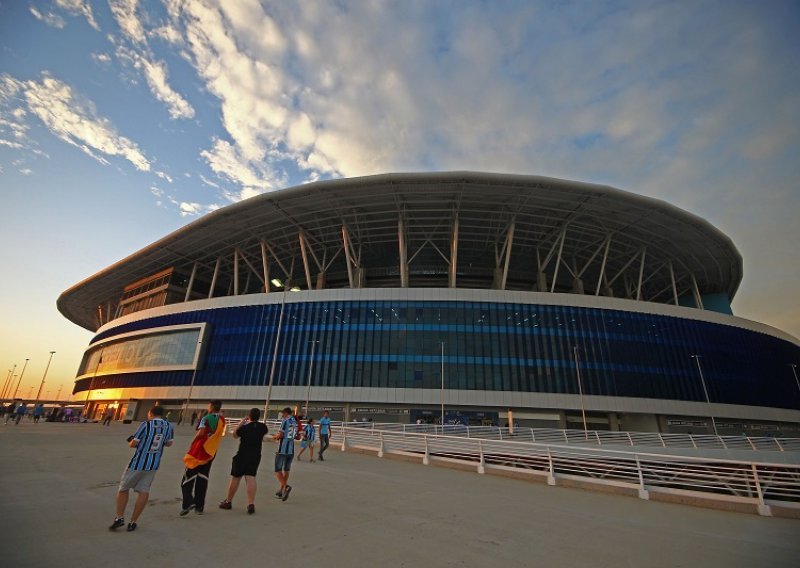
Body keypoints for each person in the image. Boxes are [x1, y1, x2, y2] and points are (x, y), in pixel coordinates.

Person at [109, 405, 174, 532]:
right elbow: (169, 443)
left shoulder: (146, 425)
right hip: (154, 464)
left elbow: (134, 443)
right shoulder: (169, 426)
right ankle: (133, 522)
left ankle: (120, 517)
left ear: (150, 413)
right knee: (144, 491)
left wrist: (131, 442)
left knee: (123, 488)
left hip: (139, 462)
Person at [219, 408, 269, 514]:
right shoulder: (263, 427)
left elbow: (234, 435)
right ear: (258, 417)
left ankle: (228, 501)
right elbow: (263, 432)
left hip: (242, 455)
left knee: (236, 478)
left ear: (249, 416)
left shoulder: (245, 428)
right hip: (255, 456)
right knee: (251, 478)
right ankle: (251, 504)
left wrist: (242, 422)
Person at [180, 400, 225, 516]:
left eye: (209, 405)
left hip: (199, 450)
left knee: (188, 478)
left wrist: (193, 441)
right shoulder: (222, 420)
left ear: (212, 406)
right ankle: (199, 506)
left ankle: (188, 503)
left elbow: (201, 433)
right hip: (211, 452)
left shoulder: (206, 418)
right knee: (203, 477)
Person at [273, 407, 297, 501]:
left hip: (283, 449)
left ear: (286, 413)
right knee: (286, 470)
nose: (282, 415)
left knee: (277, 470)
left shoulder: (285, 421)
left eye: (283, 413)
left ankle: (285, 486)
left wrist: (275, 437)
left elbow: (281, 435)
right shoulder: (294, 421)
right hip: (291, 449)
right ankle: (282, 490)